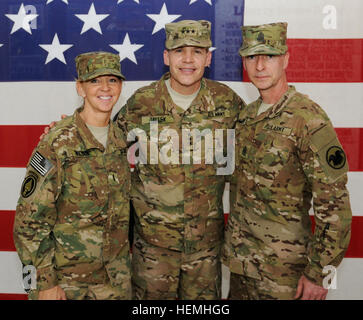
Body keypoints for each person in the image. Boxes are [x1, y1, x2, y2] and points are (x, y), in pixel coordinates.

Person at [222, 22, 352, 300]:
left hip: (284, 276)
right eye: (251, 57)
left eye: (269, 56)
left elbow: (336, 207)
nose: (259, 66)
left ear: (286, 59)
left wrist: (321, 274)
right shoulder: (247, 117)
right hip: (241, 269)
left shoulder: (308, 119)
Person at [116, 19, 245, 299]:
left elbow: (257, 151)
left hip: (204, 253)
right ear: (166, 57)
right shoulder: (141, 103)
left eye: (197, 51)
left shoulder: (228, 103)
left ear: (208, 58)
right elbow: (107, 150)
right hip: (151, 250)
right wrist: (75, 127)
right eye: (179, 51)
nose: (188, 59)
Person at [13, 51, 131, 300]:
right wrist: (44, 284)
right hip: (67, 287)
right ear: (80, 88)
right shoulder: (57, 143)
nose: (105, 88)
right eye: (94, 81)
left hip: (115, 282)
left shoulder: (121, 139)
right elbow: (28, 223)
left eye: (112, 80)